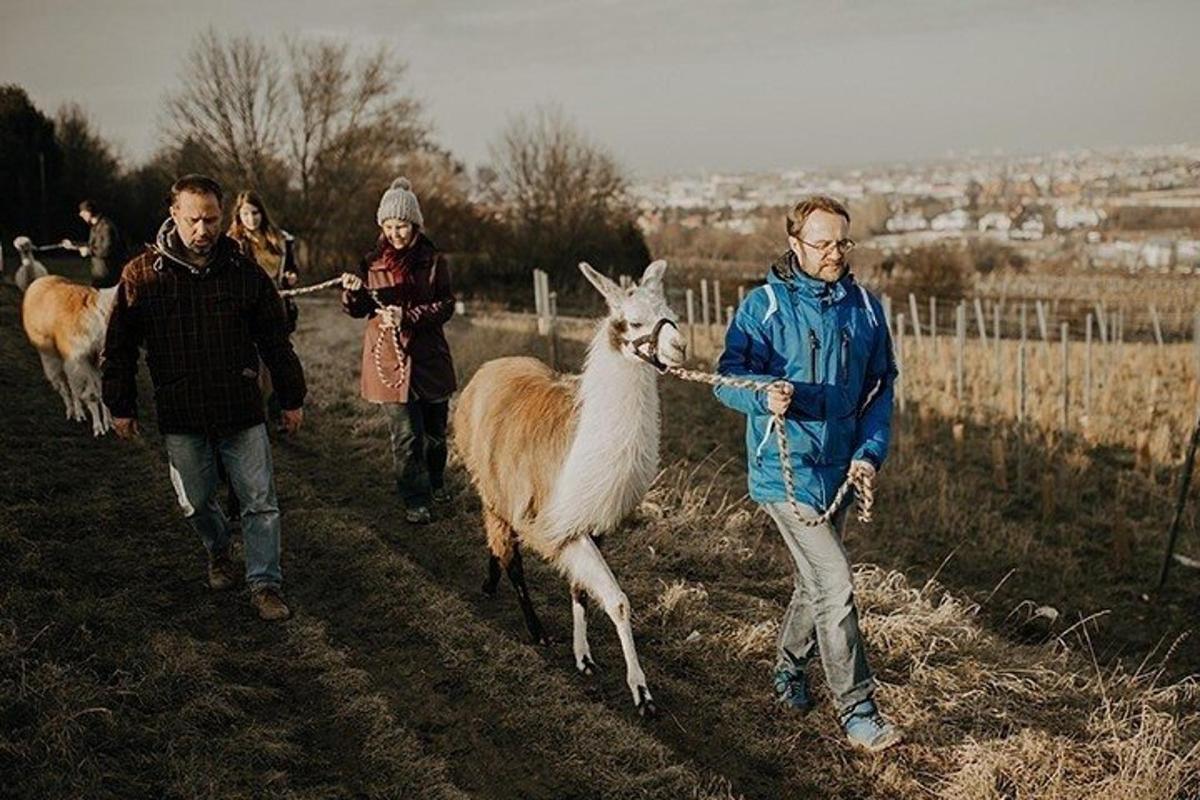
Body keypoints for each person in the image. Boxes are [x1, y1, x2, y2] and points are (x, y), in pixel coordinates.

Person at [713, 195, 902, 752]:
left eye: (843, 242)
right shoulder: (764, 306)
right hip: (784, 470)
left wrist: (869, 453)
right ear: (795, 244)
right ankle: (857, 708)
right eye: (822, 244)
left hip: (840, 469)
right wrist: (760, 395)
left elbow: (880, 388)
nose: (835, 254)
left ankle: (789, 668)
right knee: (837, 583)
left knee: (815, 582)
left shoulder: (865, 309)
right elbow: (728, 379)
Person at [101, 174, 307, 622]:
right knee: (194, 502)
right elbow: (117, 346)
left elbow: (275, 340)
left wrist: (291, 397)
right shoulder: (142, 276)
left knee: (260, 501)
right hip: (182, 411)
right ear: (174, 215)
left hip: (239, 406)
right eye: (193, 219)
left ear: (222, 216)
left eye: (211, 219)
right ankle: (218, 550)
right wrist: (120, 404)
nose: (203, 230)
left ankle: (265, 584)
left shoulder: (244, 273)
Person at [341, 177, 456, 525]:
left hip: (429, 359)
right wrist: (352, 293)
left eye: (401, 226)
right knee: (406, 437)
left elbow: (447, 305)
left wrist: (408, 315)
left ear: (415, 225)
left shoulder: (434, 261)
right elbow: (359, 309)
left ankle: (436, 482)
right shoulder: (371, 263)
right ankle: (414, 499)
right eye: (389, 226)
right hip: (390, 362)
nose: (395, 233)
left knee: (435, 436)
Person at [65, 200, 125, 288]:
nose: (81, 215)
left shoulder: (106, 226)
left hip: (107, 275)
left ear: (90, 211)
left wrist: (88, 251)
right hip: (98, 274)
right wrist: (72, 245)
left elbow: (106, 250)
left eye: (83, 213)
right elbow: (92, 246)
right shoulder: (95, 226)